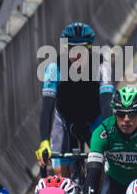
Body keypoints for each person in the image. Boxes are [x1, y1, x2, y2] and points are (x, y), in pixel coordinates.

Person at [35, 23, 115, 175]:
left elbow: (106, 105)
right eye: (72, 49)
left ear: (90, 49)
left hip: (94, 120)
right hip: (65, 121)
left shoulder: (102, 66)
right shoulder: (54, 68)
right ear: (66, 48)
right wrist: (44, 141)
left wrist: (107, 135)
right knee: (61, 175)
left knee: (103, 169)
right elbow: (47, 108)